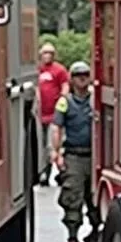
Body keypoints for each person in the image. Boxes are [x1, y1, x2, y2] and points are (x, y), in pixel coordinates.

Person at [50, 61, 97, 242]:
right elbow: (56, 127)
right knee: (72, 199)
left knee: (96, 199)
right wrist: (56, 152)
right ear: (72, 78)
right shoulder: (65, 102)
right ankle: (72, 240)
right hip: (74, 156)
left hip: (95, 156)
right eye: (78, 75)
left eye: (85, 74)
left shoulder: (96, 99)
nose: (82, 78)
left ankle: (98, 234)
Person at [37, 42, 69, 185]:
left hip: (53, 115)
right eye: (45, 53)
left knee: (53, 145)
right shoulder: (38, 70)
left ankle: (59, 173)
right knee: (41, 146)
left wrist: (62, 103)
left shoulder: (59, 70)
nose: (47, 56)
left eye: (50, 53)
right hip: (39, 115)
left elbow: (65, 86)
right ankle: (43, 173)